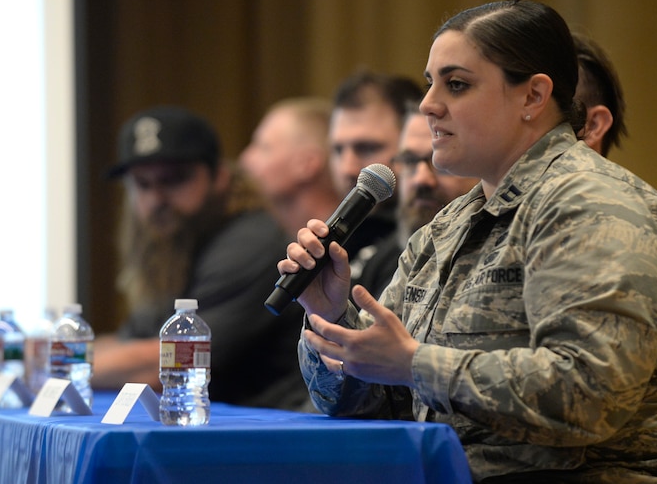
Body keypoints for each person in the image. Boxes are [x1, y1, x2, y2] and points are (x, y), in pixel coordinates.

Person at [280, 0, 657, 481]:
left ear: (533, 97)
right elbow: (362, 406)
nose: (429, 104)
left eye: (456, 84)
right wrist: (330, 316)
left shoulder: (591, 203)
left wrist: (415, 364)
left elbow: (591, 396)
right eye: (430, 83)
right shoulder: (446, 226)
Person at [93, 105, 308, 410]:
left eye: (174, 179)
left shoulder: (250, 241)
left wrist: (62, 362)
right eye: (142, 184)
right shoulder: (173, 246)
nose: (157, 199)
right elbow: (131, 340)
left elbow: (173, 361)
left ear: (219, 176)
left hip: (269, 431)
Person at [573, 32, 657, 369]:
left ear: (592, 125)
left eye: (538, 104)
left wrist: (422, 362)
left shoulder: (622, 221)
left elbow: (595, 384)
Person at [354, 102, 479, 298]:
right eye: (410, 161)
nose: (421, 179)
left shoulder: (499, 255)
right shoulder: (379, 262)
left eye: (440, 160)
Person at [327, 71, 423, 266]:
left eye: (368, 148)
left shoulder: (426, 242)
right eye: (338, 150)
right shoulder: (339, 238)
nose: (348, 169)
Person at [239, 97, 342, 238]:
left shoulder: (351, 247)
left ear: (307, 164)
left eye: (264, 147)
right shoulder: (267, 236)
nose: (245, 158)